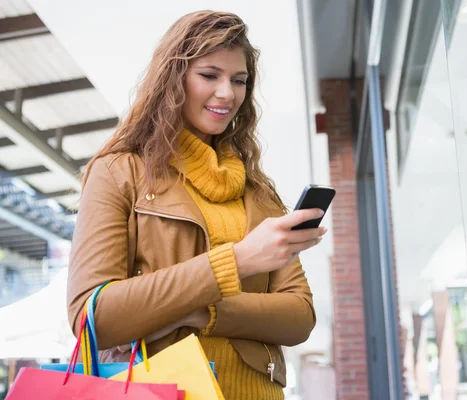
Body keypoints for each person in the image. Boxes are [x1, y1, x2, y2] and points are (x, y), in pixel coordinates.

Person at [67, 10, 325, 400]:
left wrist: (202, 311)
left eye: (239, 80)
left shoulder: (258, 193)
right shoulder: (119, 172)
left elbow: (299, 318)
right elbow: (93, 317)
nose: (228, 93)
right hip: (160, 390)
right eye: (209, 75)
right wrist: (236, 262)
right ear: (173, 79)